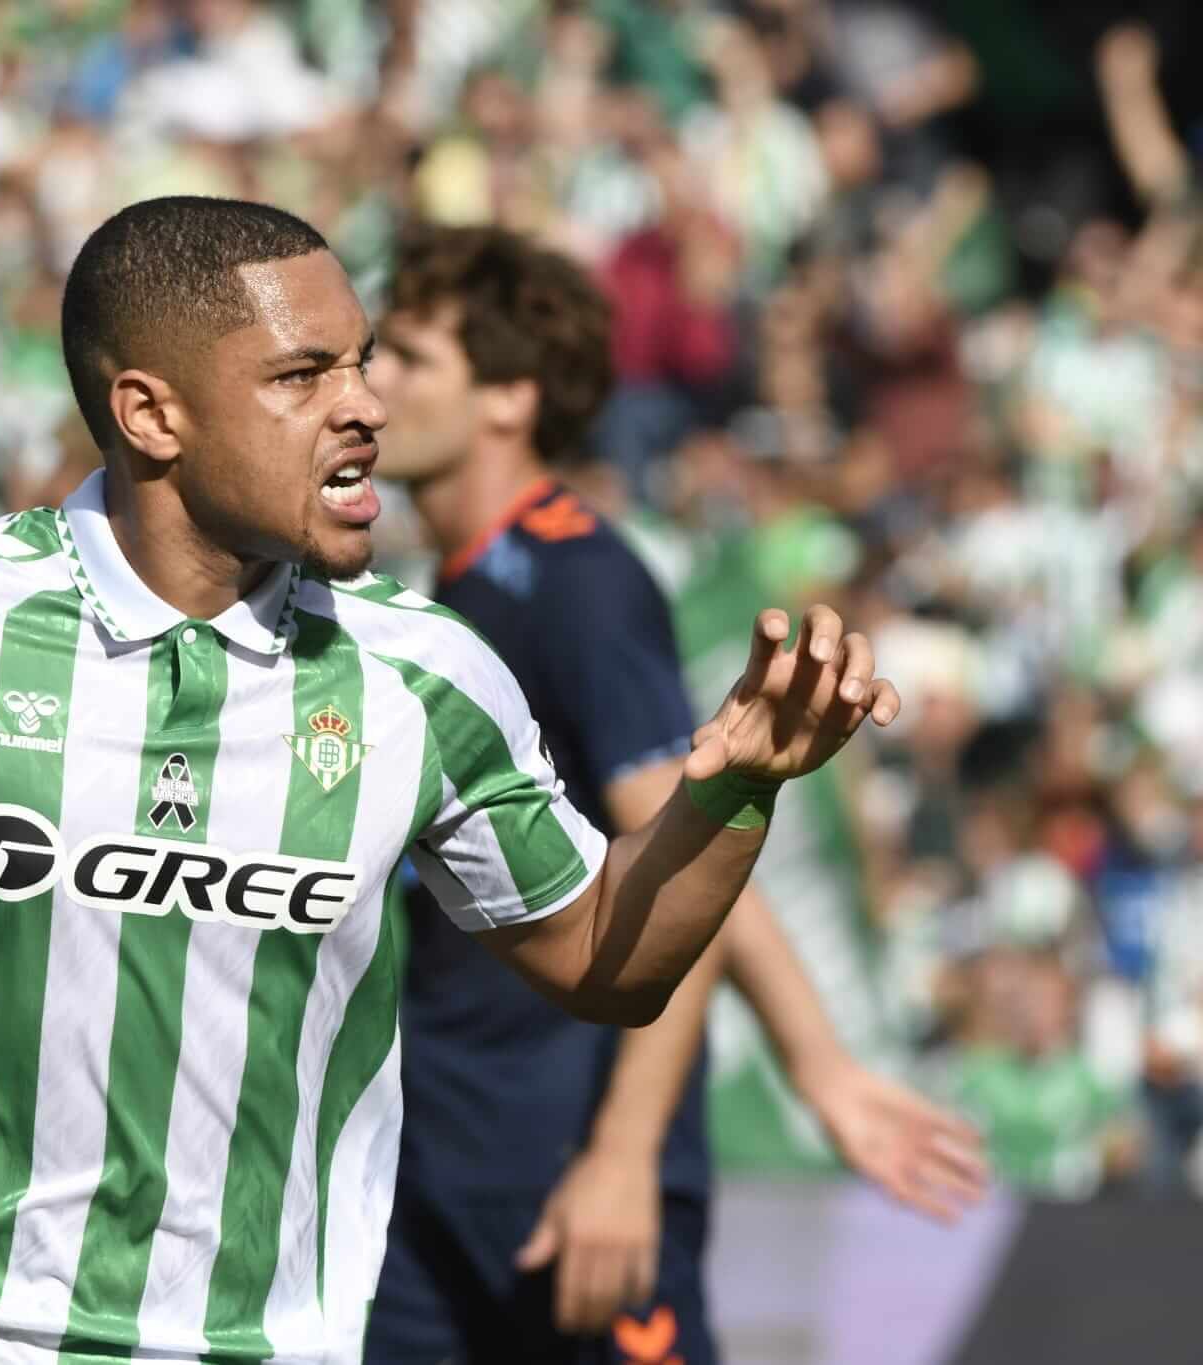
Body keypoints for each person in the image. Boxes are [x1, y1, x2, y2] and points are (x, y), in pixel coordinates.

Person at [0, 196, 902, 1361]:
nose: (363, 409)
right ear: (151, 414)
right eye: (303, 377)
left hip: (267, 1341)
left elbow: (609, 960)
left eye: (362, 363)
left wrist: (738, 797)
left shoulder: (428, 677)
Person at [363, 224, 987, 1364]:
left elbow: (681, 867)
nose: (369, 386)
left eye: (407, 358)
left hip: (567, 1176)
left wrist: (627, 1155)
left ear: (508, 396)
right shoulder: (452, 594)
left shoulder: (574, 582)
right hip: (435, 1162)